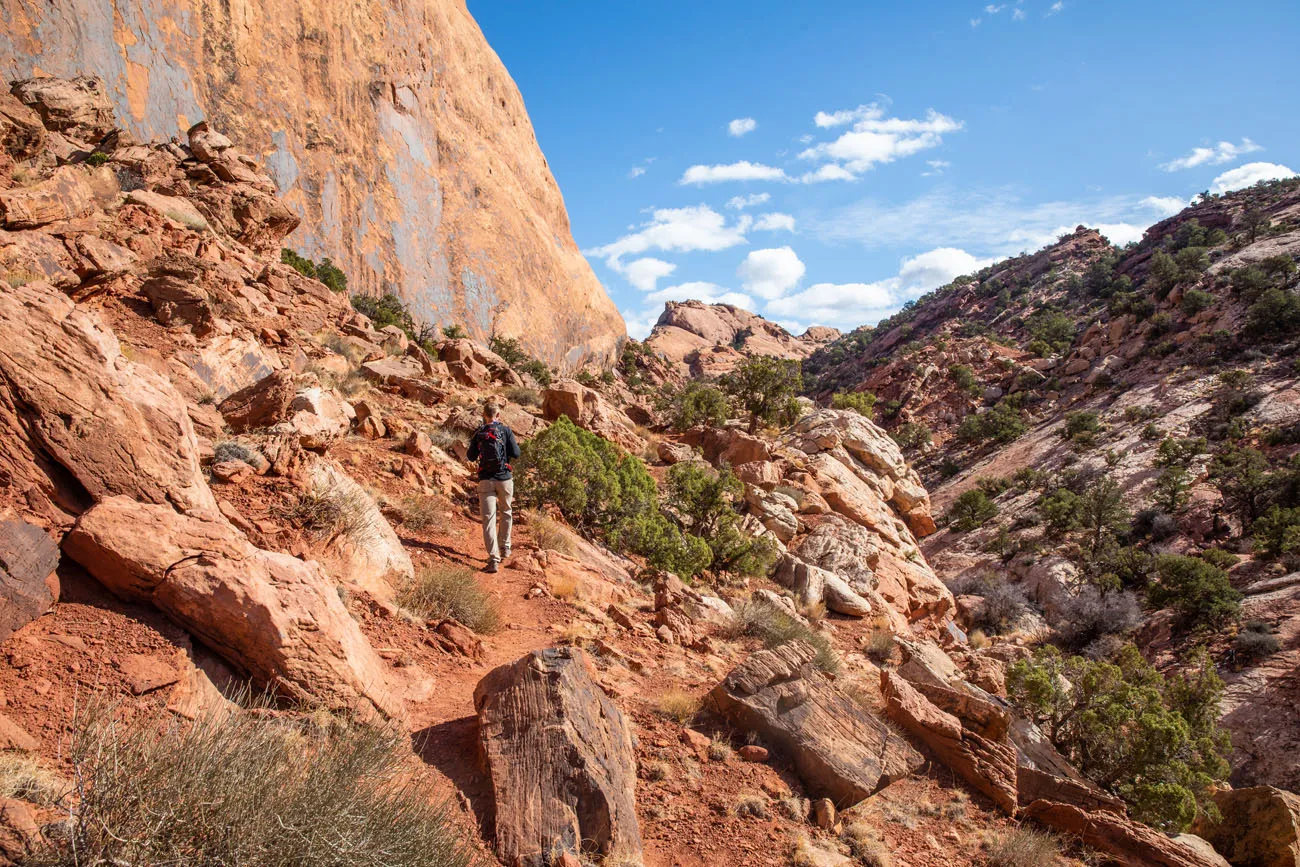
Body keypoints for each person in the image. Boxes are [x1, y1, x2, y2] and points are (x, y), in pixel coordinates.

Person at [466, 401, 520, 573]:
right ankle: (505, 547)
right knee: (506, 511)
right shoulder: (505, 430)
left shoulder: (479, 433)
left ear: (484, 415)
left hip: (485, 480)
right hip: (504, 479)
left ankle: (494, 559)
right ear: (498, 415)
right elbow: (517, 454)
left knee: (488, 519)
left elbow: (470, 456)